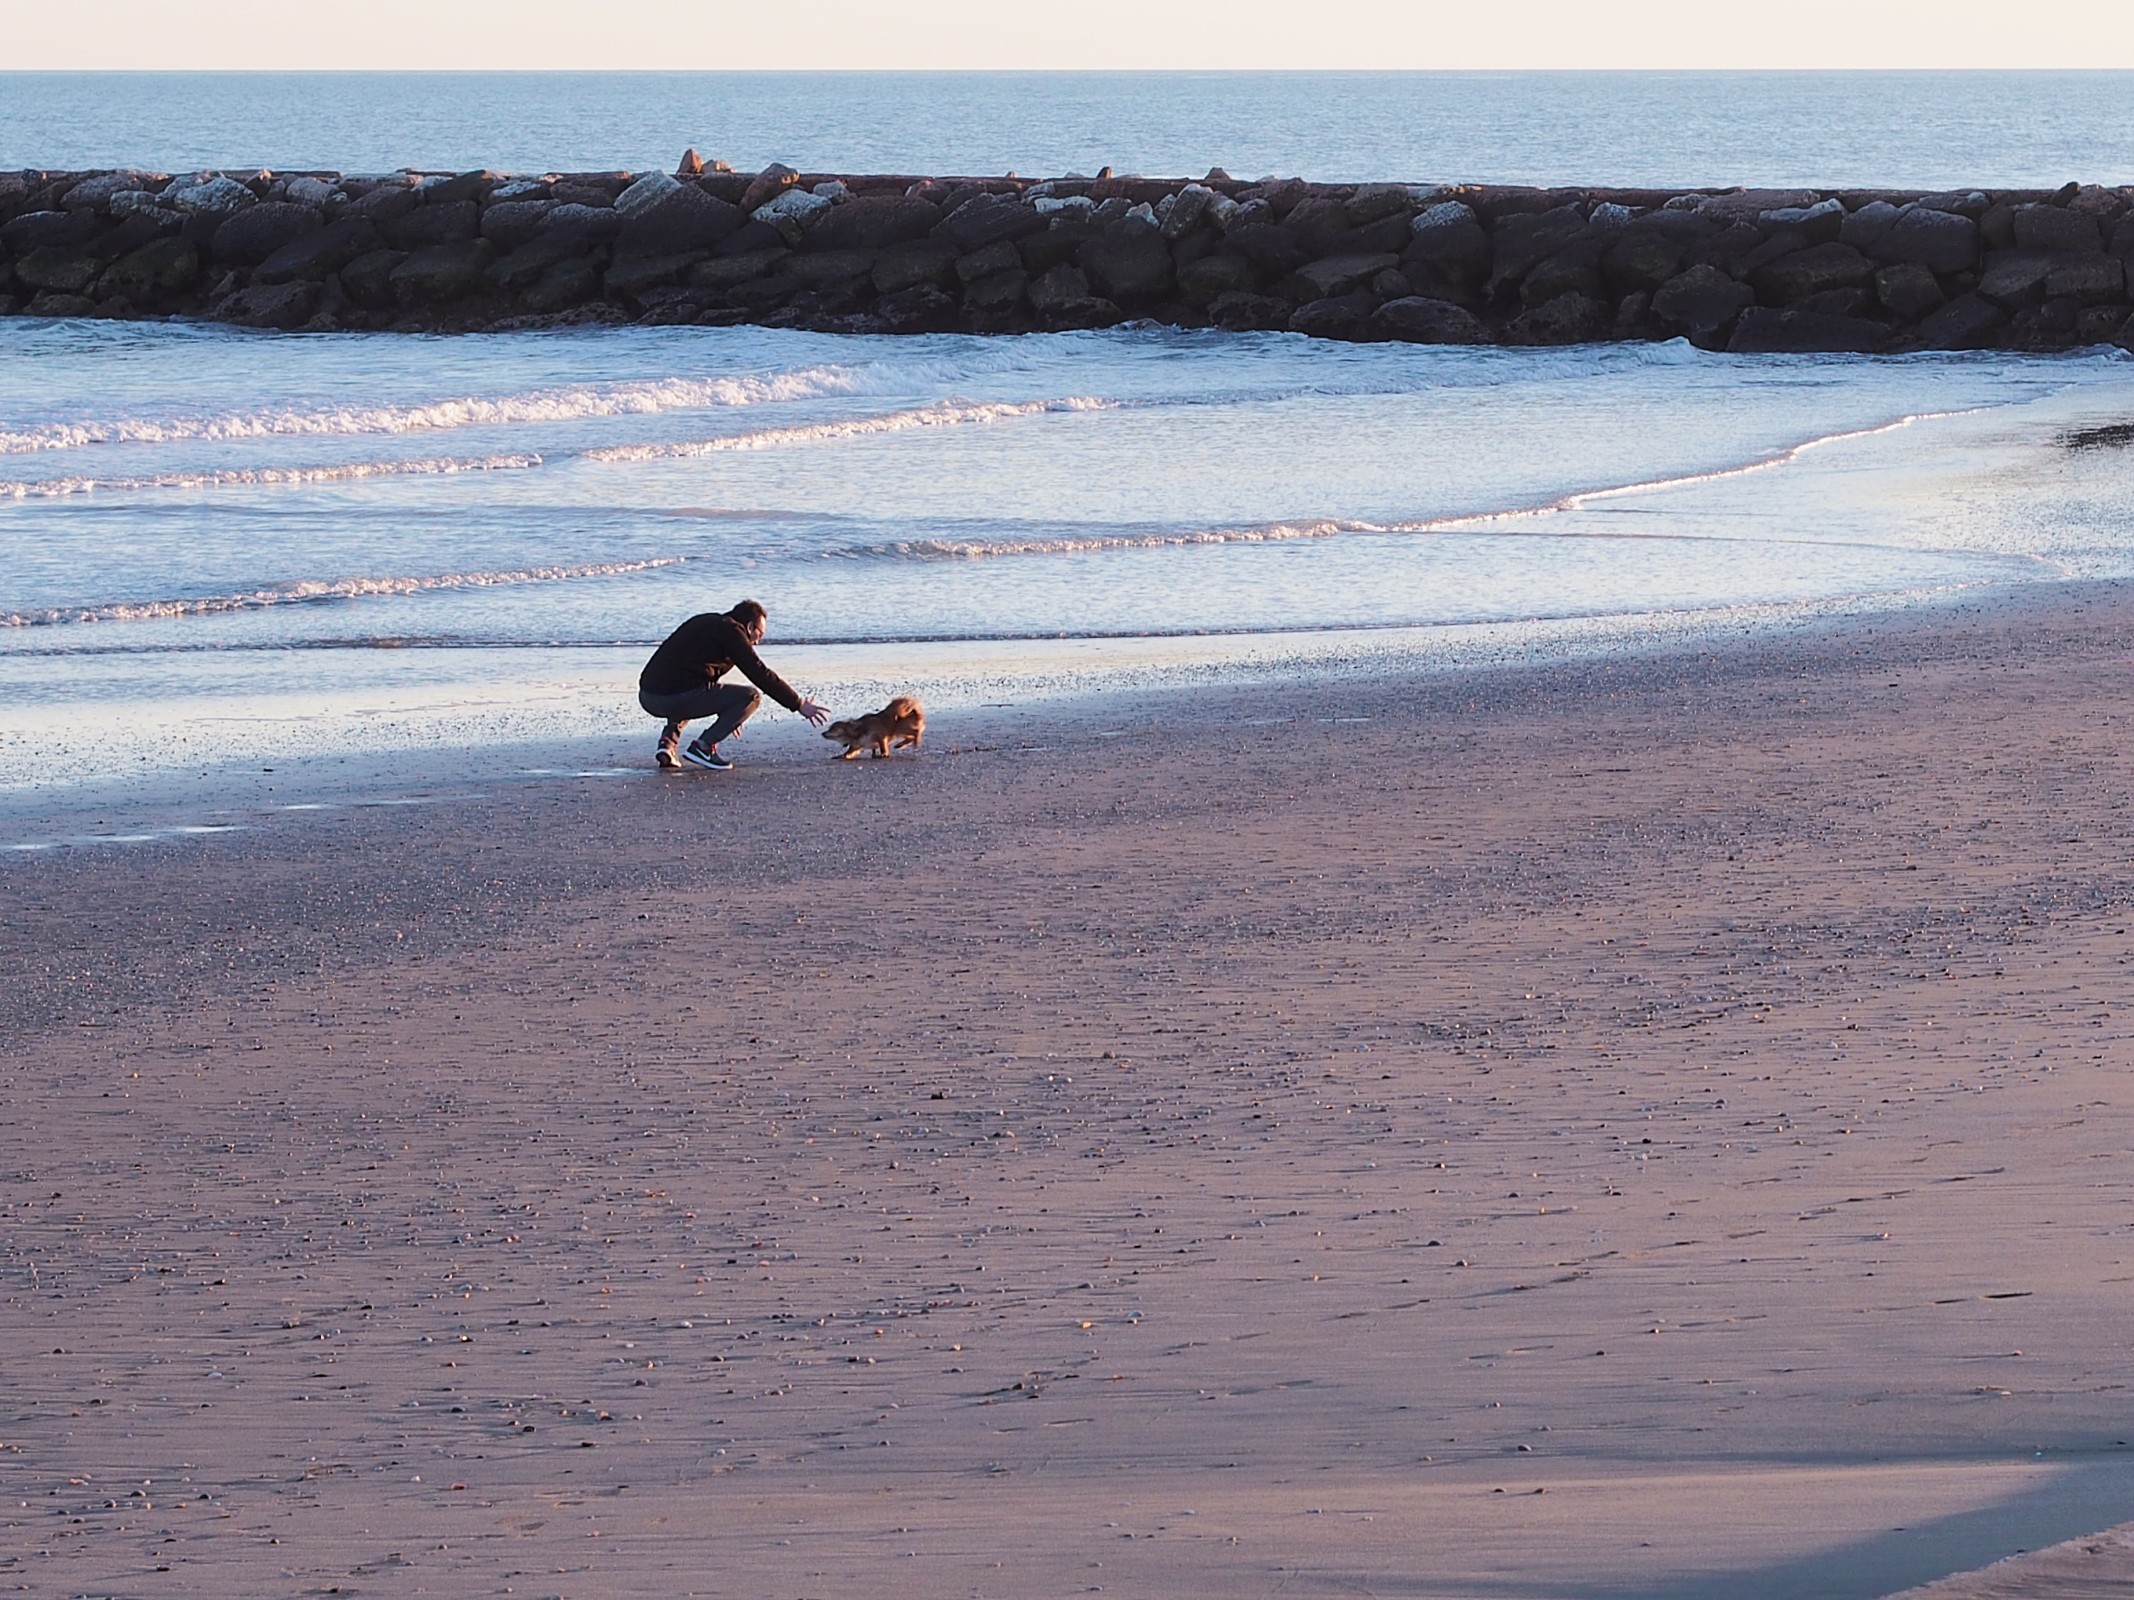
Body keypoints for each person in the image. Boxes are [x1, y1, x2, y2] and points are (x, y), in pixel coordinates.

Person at [637, 599, 829, 770]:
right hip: (675, 696)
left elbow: (695, 671)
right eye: (759, 635)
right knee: (750, 696)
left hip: (649, 696)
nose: (758, 642)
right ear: (750, 627)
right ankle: (703, 747)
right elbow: (759, 673)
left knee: (689, 690)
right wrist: (797, 704)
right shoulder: (733, 632)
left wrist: (731, 715)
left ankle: (668, 744)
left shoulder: (707, 622)